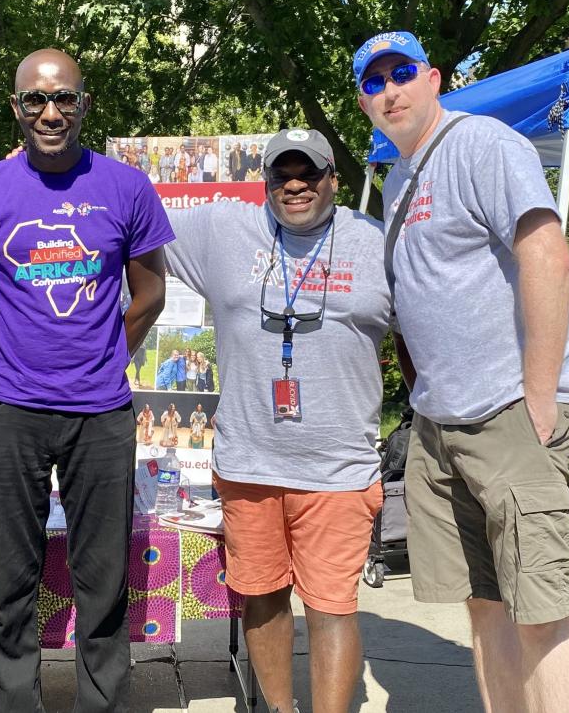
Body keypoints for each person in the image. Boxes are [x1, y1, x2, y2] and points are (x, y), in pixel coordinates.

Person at [359, 30, 569, 713]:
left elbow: (548, 256)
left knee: (541, 610)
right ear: (364, 101)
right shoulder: (398, 176)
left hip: (510, 413)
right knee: (485, 606)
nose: (390, 90)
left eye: (402, 72)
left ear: (433, 78)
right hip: (442, 423)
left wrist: (541, 395)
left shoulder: (483, 144)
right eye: (374, 82)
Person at [0, 48, 171, 713]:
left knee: (102, 581)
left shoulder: (126, 187)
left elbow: (151, 290)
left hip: (99, 413)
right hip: (7, 413)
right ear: (16, 108)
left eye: (64, 99)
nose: (51, 112)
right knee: (9, 584)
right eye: (36, 101)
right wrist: (5, 368)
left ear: (84, 104)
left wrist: (105, 354)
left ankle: (100, 704)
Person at [162, 127, 393, 713]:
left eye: (309, 173)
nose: (295, 185)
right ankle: (278, 708)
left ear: (332, 180)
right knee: (260, 595)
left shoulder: (376, 242)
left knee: (331, 603)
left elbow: (428, 327)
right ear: (265, 182)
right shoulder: (223, 229)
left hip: (338, 465)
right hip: (248, 460)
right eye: (281, 175)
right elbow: (128, 215)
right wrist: (46, 173)